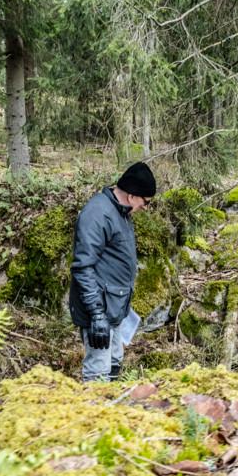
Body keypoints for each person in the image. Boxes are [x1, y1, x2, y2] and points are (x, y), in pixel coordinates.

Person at [69, 161, 157, 382]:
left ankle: (112, 409)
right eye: (145, 202)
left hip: (115, 308)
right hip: (98, 310)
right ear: (132, 196)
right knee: (98, 373)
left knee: (114, 362)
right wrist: (96, 315)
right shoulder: (97, 214)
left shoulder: (121, 213)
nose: (145, 207)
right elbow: (82, 267)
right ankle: (95, 412)